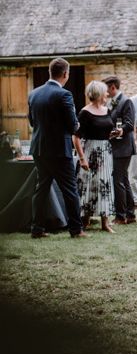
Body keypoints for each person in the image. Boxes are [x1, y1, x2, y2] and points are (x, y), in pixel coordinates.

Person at [27, 57, 86, 239]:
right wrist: (77, 126)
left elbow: (31, 122)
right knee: (70, 189)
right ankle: (76, 230)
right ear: (65, 74)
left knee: (41, 189)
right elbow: (72, 124)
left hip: (39, 148)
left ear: (50, 73)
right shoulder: (64, 95)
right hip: (60, 150)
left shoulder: (34, 93)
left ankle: (37, 229)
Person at [72, 80, 118, 233]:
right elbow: (76, 137)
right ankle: (85, 220)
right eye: (105, 91)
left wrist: (114, 133)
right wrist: (82, 158)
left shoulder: (107, 110)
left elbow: (107, 128)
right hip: (91, 151)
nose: (107, 94)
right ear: (98, 94)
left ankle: (105, 223)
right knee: (88, 185)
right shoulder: (85, 112)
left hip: (106, 151)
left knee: (105, 184)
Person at [104, 76, 137, 225]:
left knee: (118, 180)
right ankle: (130, 214)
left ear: (112, 87)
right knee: (123, 179)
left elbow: (129, 124)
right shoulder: (112, 102)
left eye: (105, 88)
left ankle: (120, 216)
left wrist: (118, 132)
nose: (104, 92)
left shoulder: (126, 101)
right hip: (117, 146)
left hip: (124, 146)